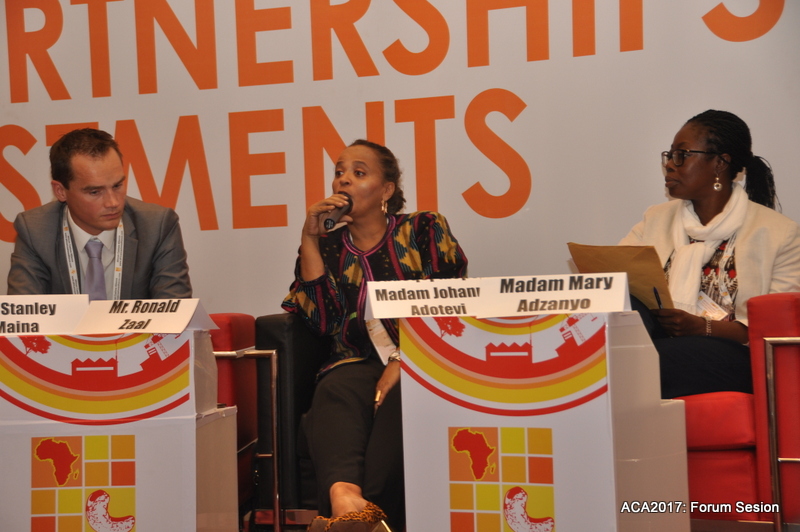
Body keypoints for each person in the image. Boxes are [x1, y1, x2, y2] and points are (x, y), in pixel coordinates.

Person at [282, 139, 468, 531]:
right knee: (335, 388)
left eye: (358, 172)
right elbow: (322, 323)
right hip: (354, 360)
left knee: (402, 398)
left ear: (386, 190)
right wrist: (310, 237)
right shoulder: (328, 246)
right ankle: (345, 501)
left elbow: (449, 303)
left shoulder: (423, 229)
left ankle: (369, 517)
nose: (343, 180)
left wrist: (403, 360)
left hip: (423, 360)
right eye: (339, 172)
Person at [620, 110, 800, 399]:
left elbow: (775, 330)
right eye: (669, 156)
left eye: (681, 155)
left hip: (735, 355)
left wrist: (701, 327)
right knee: (623, 297)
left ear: (719, 163)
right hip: (659, 340)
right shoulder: (655, 219)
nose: (670, 165)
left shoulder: (779, 233)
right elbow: (618, 280)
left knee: (639, 359)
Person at [7, 128, 192, 300]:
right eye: (95, 192)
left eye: (117, 186)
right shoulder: (34, 231)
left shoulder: (158, 226)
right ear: (60, 191)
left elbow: (175, 312)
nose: (113, 203)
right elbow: (25, 314)